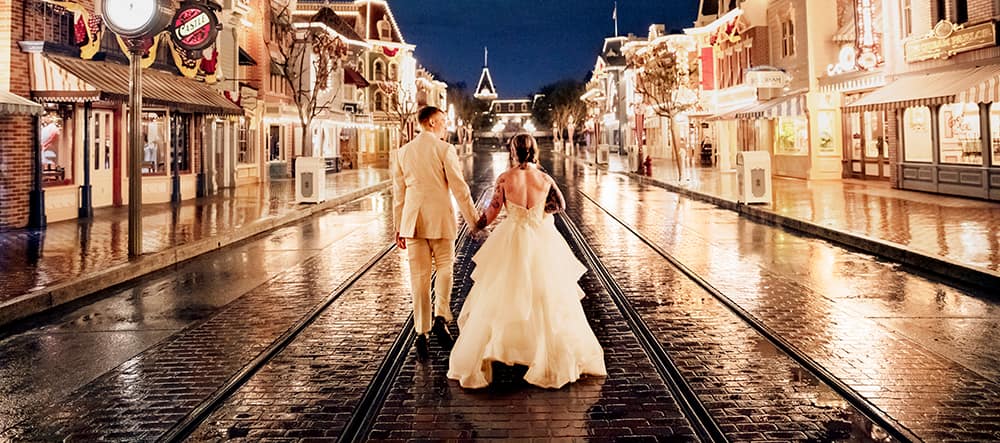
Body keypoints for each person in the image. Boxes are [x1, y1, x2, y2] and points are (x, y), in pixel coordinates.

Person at [447, 133, 606, 389]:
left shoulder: (505, 179)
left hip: (511, 238)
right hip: (542, 238)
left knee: (503, 293)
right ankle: (541, 352)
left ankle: (504, 347)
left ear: (514, 151)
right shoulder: (544, 178)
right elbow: (561, 205)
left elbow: (492, 210)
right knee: (545, 296)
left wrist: (476, 225)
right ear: (534, 151)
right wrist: (540, 212)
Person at [392, 106, 480, 360]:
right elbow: (459, 188)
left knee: (418, 277)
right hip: (440, 218)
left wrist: (399, 226)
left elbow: (399, 194)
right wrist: (473, 220)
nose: (445, 126)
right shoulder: (444, 149)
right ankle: (441, 315)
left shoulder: (402, 152)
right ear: (430, 122)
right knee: (445, 267)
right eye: (442, 121)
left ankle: (422, 332)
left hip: (413, 221)